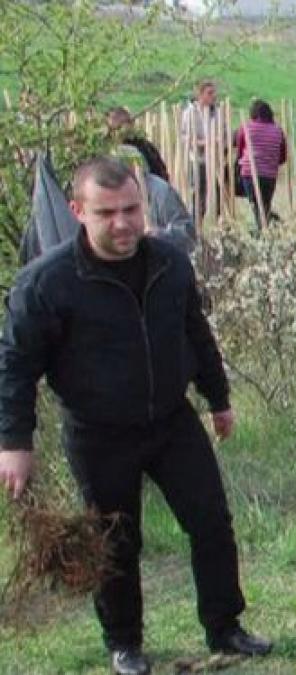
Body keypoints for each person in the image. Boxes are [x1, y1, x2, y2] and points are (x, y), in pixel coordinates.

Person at [0, 158, 272, 675]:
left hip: (171, 419)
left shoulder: (170, 263)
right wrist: (14, 442)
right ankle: (124, 643)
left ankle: (225, 627)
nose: (123, 223)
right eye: (107, 213)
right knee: (116, 543)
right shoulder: (46, 283)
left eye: (131, 209)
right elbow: (14, 365)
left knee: (211, 522)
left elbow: (195, 333)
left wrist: (218, 399)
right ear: (78, 211)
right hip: (97, 433)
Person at [235, 99, 287, 232]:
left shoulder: (246, 128)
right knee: (265, 204)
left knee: (257, 206)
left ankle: (264, 230)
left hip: (250, 173)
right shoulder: (278, 130)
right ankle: (269, 227)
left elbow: (240, 152)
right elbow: (282, 157)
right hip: (270, 175)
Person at [179, 78, 219, 220]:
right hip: (197, 159)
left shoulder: (216, 113)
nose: (213, 96)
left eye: (214, 93)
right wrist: (204, 143)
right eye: (210, 93)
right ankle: (195, 223)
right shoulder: (190, 113)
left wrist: (219, 141)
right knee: (197, 194)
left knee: (215, 194)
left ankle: (215, 221)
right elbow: (185, 137)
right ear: (200, 95)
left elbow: (223, 133)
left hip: (214, 160)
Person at [107, 106, 170, 182]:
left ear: (131, 124)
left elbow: (160, 173)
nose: (116, 132)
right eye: (113, 129)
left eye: (119, 127)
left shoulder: (144, 147)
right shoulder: (105, 148)